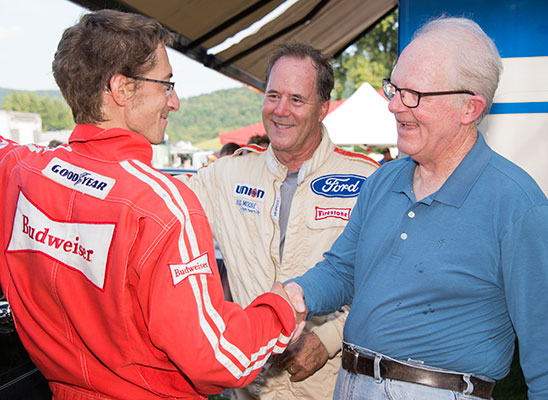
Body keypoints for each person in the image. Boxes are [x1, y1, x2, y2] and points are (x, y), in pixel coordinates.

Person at [0, 10, 304, 400]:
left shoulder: (21, 173)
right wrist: (278, 310)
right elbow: (216, 358)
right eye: (166, 84)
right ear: (122, 89)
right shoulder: (163, 207)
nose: (174, 101)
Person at [285, 16, 548, 400]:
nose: (393, 105)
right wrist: (295, 294)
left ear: (469, 108)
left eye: (413, 94)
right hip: (349, 385)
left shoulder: (516, 204)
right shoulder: (382, 181)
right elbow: (342, 271)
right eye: (394, 88)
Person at [178, 43, 379, 399]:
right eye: (273, 95)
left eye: (297, 100)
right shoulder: (226, 175)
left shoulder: (367, 180)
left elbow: (390, 285)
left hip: (329, 385)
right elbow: (162, 219)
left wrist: (329, 339)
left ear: (322, 108)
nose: (280, 110)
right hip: (249, 386)